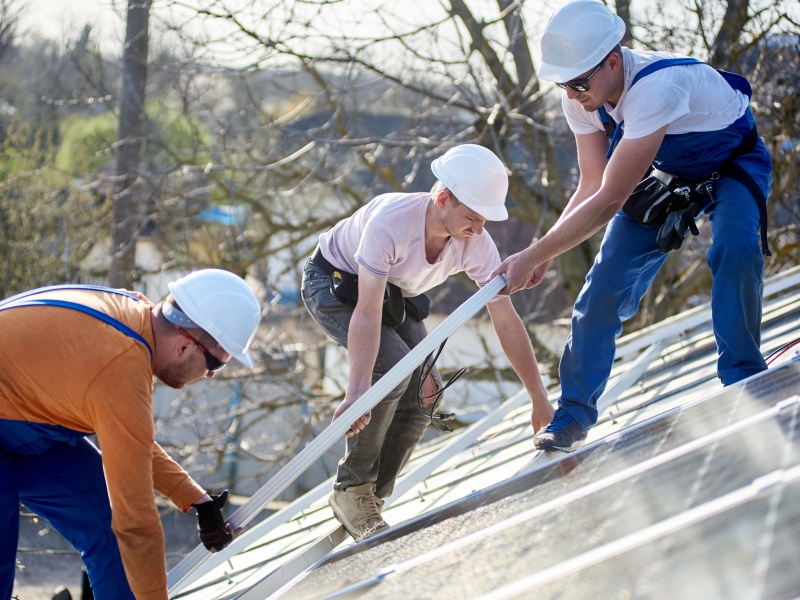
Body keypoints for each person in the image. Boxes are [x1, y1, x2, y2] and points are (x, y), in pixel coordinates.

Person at [494, 0, 772, 453]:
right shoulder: (583, 99)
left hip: (732, 164)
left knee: (736, 249)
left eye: (579, 82)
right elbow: (590, 185)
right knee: (602, 284)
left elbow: (608, 201)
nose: (571, 94)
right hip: (668, 176)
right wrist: (542, 252)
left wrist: (533, 255)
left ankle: (742, 378)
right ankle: (572, 414)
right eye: (564, 84)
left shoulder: (657, 87)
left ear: (613, 61)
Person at [302, 144, 553, 541]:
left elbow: (506, 321)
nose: (478, 228)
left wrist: (538, 397)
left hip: (394, 291)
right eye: (471, 217)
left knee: (427, 393)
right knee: (391, 372)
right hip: (334, 284)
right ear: (442, 199)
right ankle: (352, 489)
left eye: (484, 219)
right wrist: (356, 393)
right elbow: (366, 312)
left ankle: (370, 499)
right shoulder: (391, 222)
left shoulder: (476, 242)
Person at [0, 269, 263, 600]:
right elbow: (136, 522)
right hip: (14, 424)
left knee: (107, 532)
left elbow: (131, 439)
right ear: (184, 346)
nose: (210, 375)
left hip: (25, 426)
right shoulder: (121, 364)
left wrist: (198, 500)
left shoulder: (135, 317)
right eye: (215, 363)